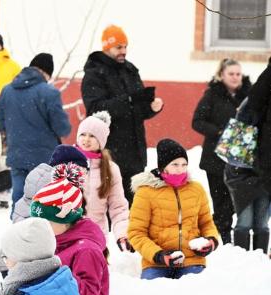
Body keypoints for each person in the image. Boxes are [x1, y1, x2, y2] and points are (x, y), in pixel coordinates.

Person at [81, 25, 163, 203]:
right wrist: (129, 100)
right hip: (109, 153)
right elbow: (95, 109)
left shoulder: (130, 70)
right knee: (109, 205)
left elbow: (138, 109)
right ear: (107, 47)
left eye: (125, 46)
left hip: (135, 152)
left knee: (134, 206)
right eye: (119, 47)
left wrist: (151, 108)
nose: (123, 51)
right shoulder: (94, 73)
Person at [128, 139, 220, 279]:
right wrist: (159, 255)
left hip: (192, 260)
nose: (180, 169)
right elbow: (136, 233)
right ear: (162, 166)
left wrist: (211, 241)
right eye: (175, 164)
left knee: (198, 289)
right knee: (152, 291)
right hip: (156, 263)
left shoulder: (196, 190)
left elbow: (206, 223)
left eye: (184, 164)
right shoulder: (145, 192)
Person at [0, 53, 72, 217]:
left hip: (17, 154)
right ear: (46, 73)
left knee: (19, 197)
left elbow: (2, 124)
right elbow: (62, 128)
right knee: (43, 202)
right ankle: (38, 231)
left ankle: (17, 227)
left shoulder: (7, 90)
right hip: (43, 157)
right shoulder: (49, 92)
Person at [0, 145, 88, 276]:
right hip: (23, 263)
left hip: (12, 256)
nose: (81, 179)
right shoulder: (56, 194)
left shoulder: (42, 182)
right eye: (80, 172)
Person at [192, 58, 251, 245]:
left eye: (238, 74)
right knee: (220, 201)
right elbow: (197, 121)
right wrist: (219, 132)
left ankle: (236, 239)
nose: (235, 77)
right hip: (215, 158)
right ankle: (221, 239)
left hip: (241, 158)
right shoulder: (212, 95)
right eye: (231, 74)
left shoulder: (249, 95)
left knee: (237, 201)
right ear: (221, 75)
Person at [224, 57, 271, 253]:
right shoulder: (254, 100)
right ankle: (242, 259)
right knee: (245, 221)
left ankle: (257, 260)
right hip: (247, 167)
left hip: (261, 166)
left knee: (261, 223)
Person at [75, 112, 132, 251]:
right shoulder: (66, 162)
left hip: (96, 235)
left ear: (101, 141)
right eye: (83, 134)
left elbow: (118, 207)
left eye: (92, 136)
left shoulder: (110, 169)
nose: (86, 139)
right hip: (68, 235)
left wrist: (122, 234)